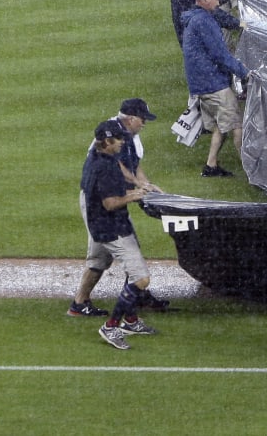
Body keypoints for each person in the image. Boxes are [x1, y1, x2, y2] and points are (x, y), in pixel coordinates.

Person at [69, 99, 167, 317]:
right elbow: (118, 167)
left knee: (111, 252)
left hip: (112, 197)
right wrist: (136, 190)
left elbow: (135, 164)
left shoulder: (126, 135)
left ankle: (128, 295)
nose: (144, 124)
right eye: (142, 120)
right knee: (108, 253)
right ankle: (122, 302)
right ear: (131, 119)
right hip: (99, 201)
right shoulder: (111, 136)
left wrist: (144, 183)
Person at [79, 119, 158, 350]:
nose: (123, 141)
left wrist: (137, 185)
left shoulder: (101, 156)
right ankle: (111, 326)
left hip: (107, 225)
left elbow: (118, 178)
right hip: (112, 229)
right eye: (119, 139)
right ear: (106, 141)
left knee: (106, 265)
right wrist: (134, 195)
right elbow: (111, 203)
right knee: (140, 279)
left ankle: (130, 320)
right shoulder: (101, 167)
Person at [180, 0, 250, 177]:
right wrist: (244, 72)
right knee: (237, 125)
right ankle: (253, 170)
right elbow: (220, 54)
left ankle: (211, 166)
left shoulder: (196, 18)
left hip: (201, 83)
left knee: (221, 125)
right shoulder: (203, 22)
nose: (218, 3)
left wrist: (239, 24)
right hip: (213, 85)